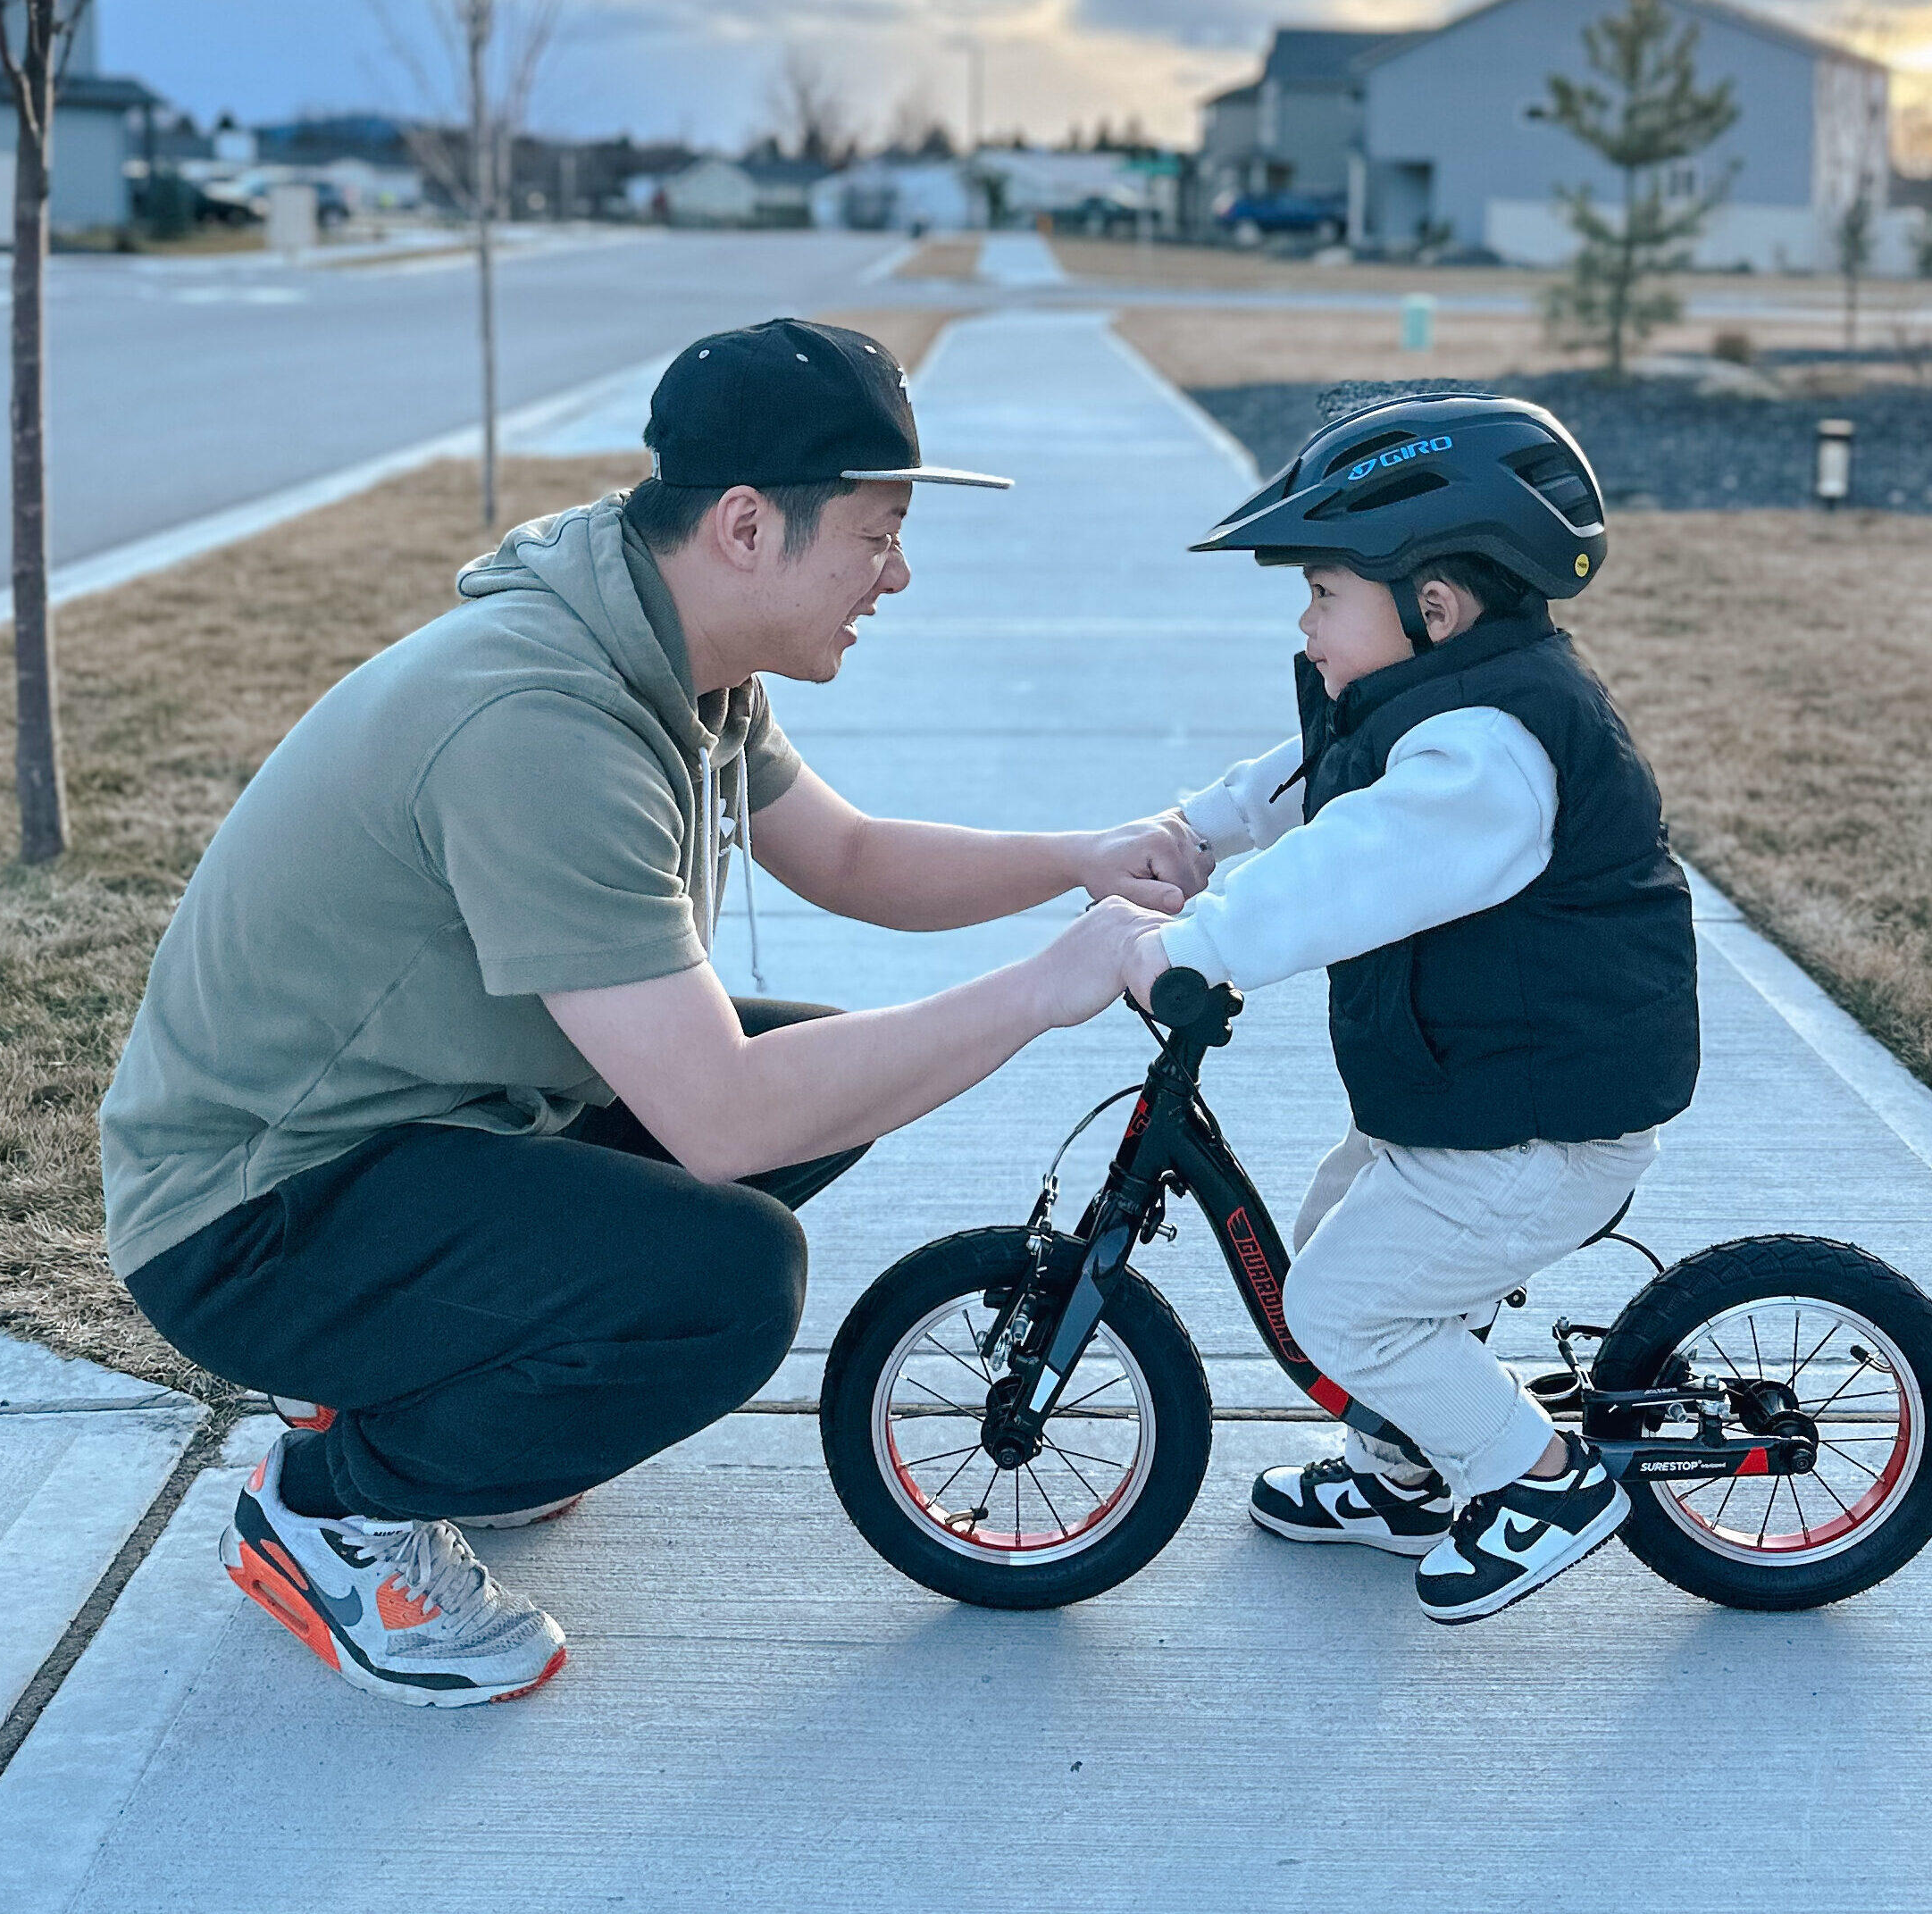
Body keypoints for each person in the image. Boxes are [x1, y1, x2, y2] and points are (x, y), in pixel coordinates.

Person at [100, 319, 1193, 1706]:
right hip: (253, 1221)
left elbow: (846, 857)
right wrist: (1050, 987)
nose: (897, 574)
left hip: (411, 1135)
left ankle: (420, 1387)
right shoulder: (540, 721)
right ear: (748, 526)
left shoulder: (673, 650)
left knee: (808, 1057)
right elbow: (721, 1120)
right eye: (877, 533)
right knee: (727, 1277)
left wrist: (1078, 861)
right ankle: (330, 1506)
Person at [1117, 393, 1701, 1626]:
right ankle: (1409, 1474)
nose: (1305, 621)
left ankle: (1540, 1482)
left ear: (1432, 607)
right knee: (1337, 1245)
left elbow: (1352, 864)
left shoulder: (1488, 753)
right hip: (1461, 1088)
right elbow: (1313, 781)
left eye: (1325, 593)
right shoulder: (1428, 702)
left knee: (1339, 1305)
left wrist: (1197, 946)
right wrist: (1192, 834)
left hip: (1544, 1119)